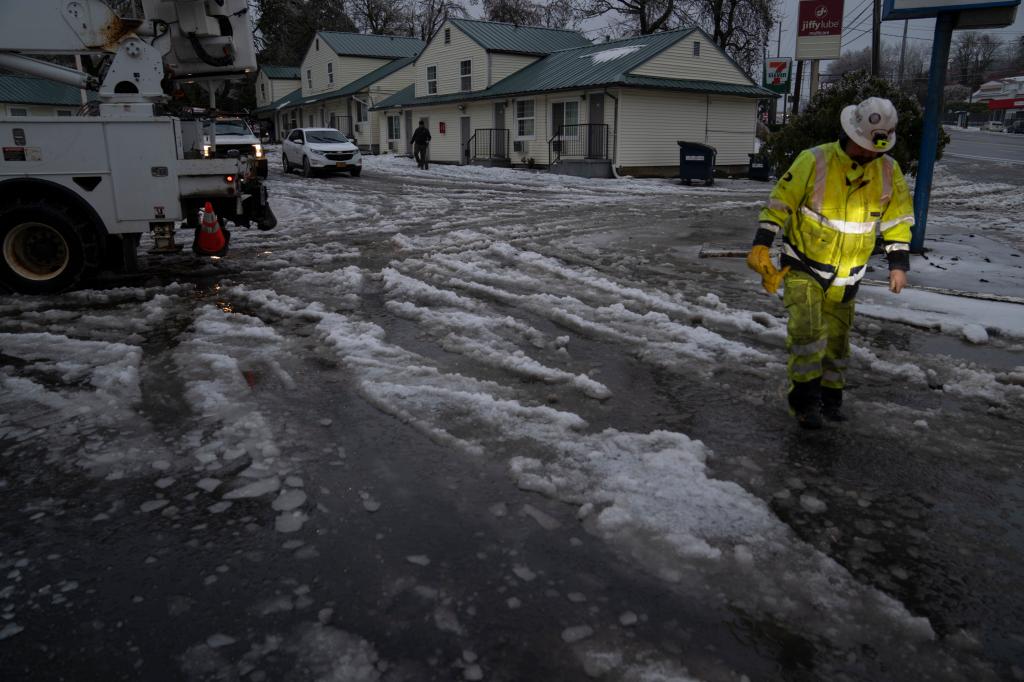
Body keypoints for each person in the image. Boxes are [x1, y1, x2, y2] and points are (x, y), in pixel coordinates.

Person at [747, 96, 915, 430]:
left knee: (838, 340)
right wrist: (761, 244)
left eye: (875, 148)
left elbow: (897, 220)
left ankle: (831, 399)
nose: (869, 154)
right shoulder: (814, 160)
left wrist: (899, 263)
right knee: (808, 333)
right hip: (803, 265)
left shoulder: (888, 170)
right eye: (864, 146)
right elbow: (780, 204)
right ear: (850, 133)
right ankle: (805, 403)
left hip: (848, 274)